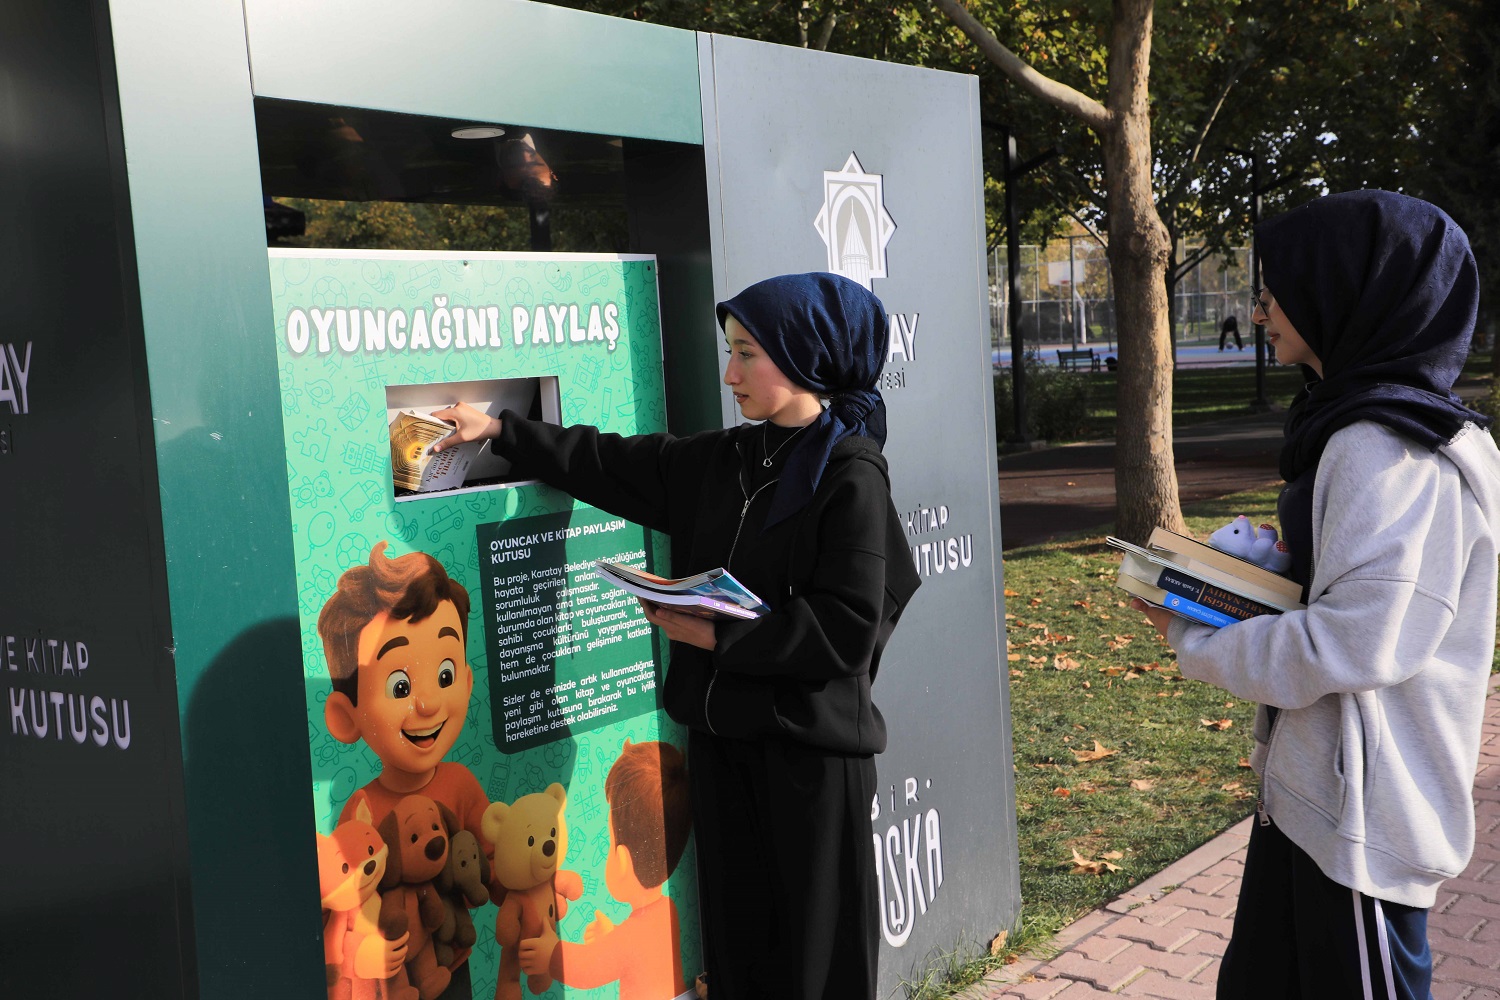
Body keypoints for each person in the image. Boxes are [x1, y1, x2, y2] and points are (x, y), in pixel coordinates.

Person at [432, 271, 921, 1000]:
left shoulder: (851, 476)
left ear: (805, 356)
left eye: (748, 354)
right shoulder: (723, 461)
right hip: (723, 751)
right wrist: (502, 432)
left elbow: (847, 631)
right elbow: (608, 462)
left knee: (819, 969)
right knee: (741, 960)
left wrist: (720, 637)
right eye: (730, 352)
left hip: (810, 765)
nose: (730, 375)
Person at [1133, 190, 1500, 999]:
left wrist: (1192, 635)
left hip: (1361, 825)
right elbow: (1358, 600)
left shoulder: (1391, 448)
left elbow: (1354, 642)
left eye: (1281, 286)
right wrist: (1256, 573)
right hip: (1318, 800)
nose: (1262, 306)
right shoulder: (1358, 424)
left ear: (1345, 292)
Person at [516, 740, 692, 1000]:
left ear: (621, 861)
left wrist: (551, 954)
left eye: (610, 840)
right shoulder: (669, 910)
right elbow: (640, 954)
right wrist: (612, 937)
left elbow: (588, 967)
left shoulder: (631, 938)